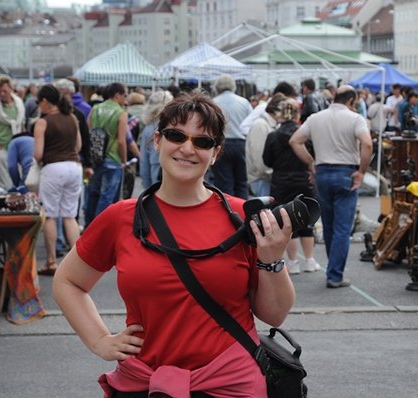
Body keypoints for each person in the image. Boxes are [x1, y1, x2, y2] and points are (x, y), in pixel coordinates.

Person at [53, 94, 295, 397]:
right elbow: (68, 281)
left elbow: (274, 315)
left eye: (202, 142)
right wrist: (100, 340)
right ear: (157, 141)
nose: (187, 148)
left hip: (230, 384)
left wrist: (272, 259)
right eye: (176, 135)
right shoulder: (120, 218)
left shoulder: (243, 218)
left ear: (216, 153)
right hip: (144, 380)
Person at [290, 85, 372, 288]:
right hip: (346, 172)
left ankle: (333, 269)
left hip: (323, 172)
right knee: (343, 228)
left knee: (328, 225)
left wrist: (311, 163)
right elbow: (367, 144)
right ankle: (335, 275)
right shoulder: (355, 118)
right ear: (352, 101)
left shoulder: (316, 118)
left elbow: (295, 141)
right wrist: (362, 171)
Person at [263, 96, 321, 275]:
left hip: (281, 182)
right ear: (297, 114)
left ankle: (293, 262)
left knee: (286, 221)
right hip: (304, 181)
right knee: (307, 221)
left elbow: (267, 160)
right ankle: (310, 260)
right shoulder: (304, 136)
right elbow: (313, 156)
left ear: (280, 113)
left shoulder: (273, 136)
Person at [33, 84, 82, 276]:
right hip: (74, 167)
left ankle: (52, 261)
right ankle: (79, 261)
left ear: (45, 101)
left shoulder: (43, 122)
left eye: (39, 101)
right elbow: (78, 146)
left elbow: (37, 153)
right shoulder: (72, 117)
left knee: (51, 215)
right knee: (70, 215)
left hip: (53, 168)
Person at [84, 82, 128, 228]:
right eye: (124, 95)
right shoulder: (121, 113)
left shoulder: (95, 108)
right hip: (113, 158)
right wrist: (124, 160)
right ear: (117, 95)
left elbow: (89, 133)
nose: (125, 99)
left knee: (93, 193)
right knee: (107, 197)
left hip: (95, 157)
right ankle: (100, 229)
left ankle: (89, 225)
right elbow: (122, 141)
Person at [211, 74, 253, 199]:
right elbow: (251, 123)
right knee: (242, 182)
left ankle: (227, 211)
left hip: (222, 145)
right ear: (233, 86)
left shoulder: (213, 103)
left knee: (224, 184)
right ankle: (243, 211)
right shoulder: (244, 102)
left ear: (217, 87)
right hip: (241, 144)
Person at [0, 74, 26, 190]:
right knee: (4, 186)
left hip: (16, 150)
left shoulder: (19, 104)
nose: (2, 94)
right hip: (0, 151)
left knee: (17, 184)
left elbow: (22, 126)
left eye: (5, 91)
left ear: (11, 89)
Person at [245, 93, 284, 197]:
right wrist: (272, 174)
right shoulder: (261, 126)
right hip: (261, 179)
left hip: (263, 179)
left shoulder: (268, 125)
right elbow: (259, 159)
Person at [139, 90, 173, 189]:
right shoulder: (177, 126)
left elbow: (144, 162)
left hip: (156, 171)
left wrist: (146, 185)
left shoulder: (149, 128)